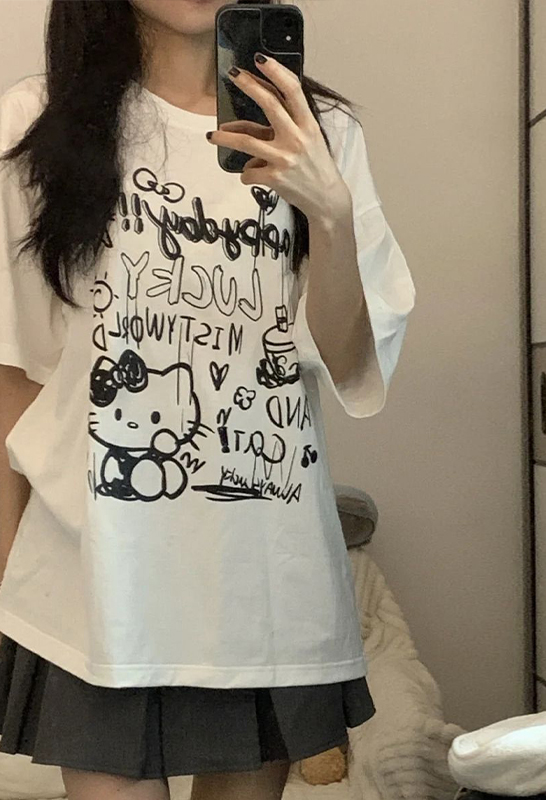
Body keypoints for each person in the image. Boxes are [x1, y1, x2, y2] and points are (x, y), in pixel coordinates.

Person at [0, 1, 416, 798]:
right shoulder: (36, 121)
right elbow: (16, 375)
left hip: (264, 575)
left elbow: (349, 359)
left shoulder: (320, 131)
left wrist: (329, 213)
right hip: (95, 574)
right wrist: (5, 577)